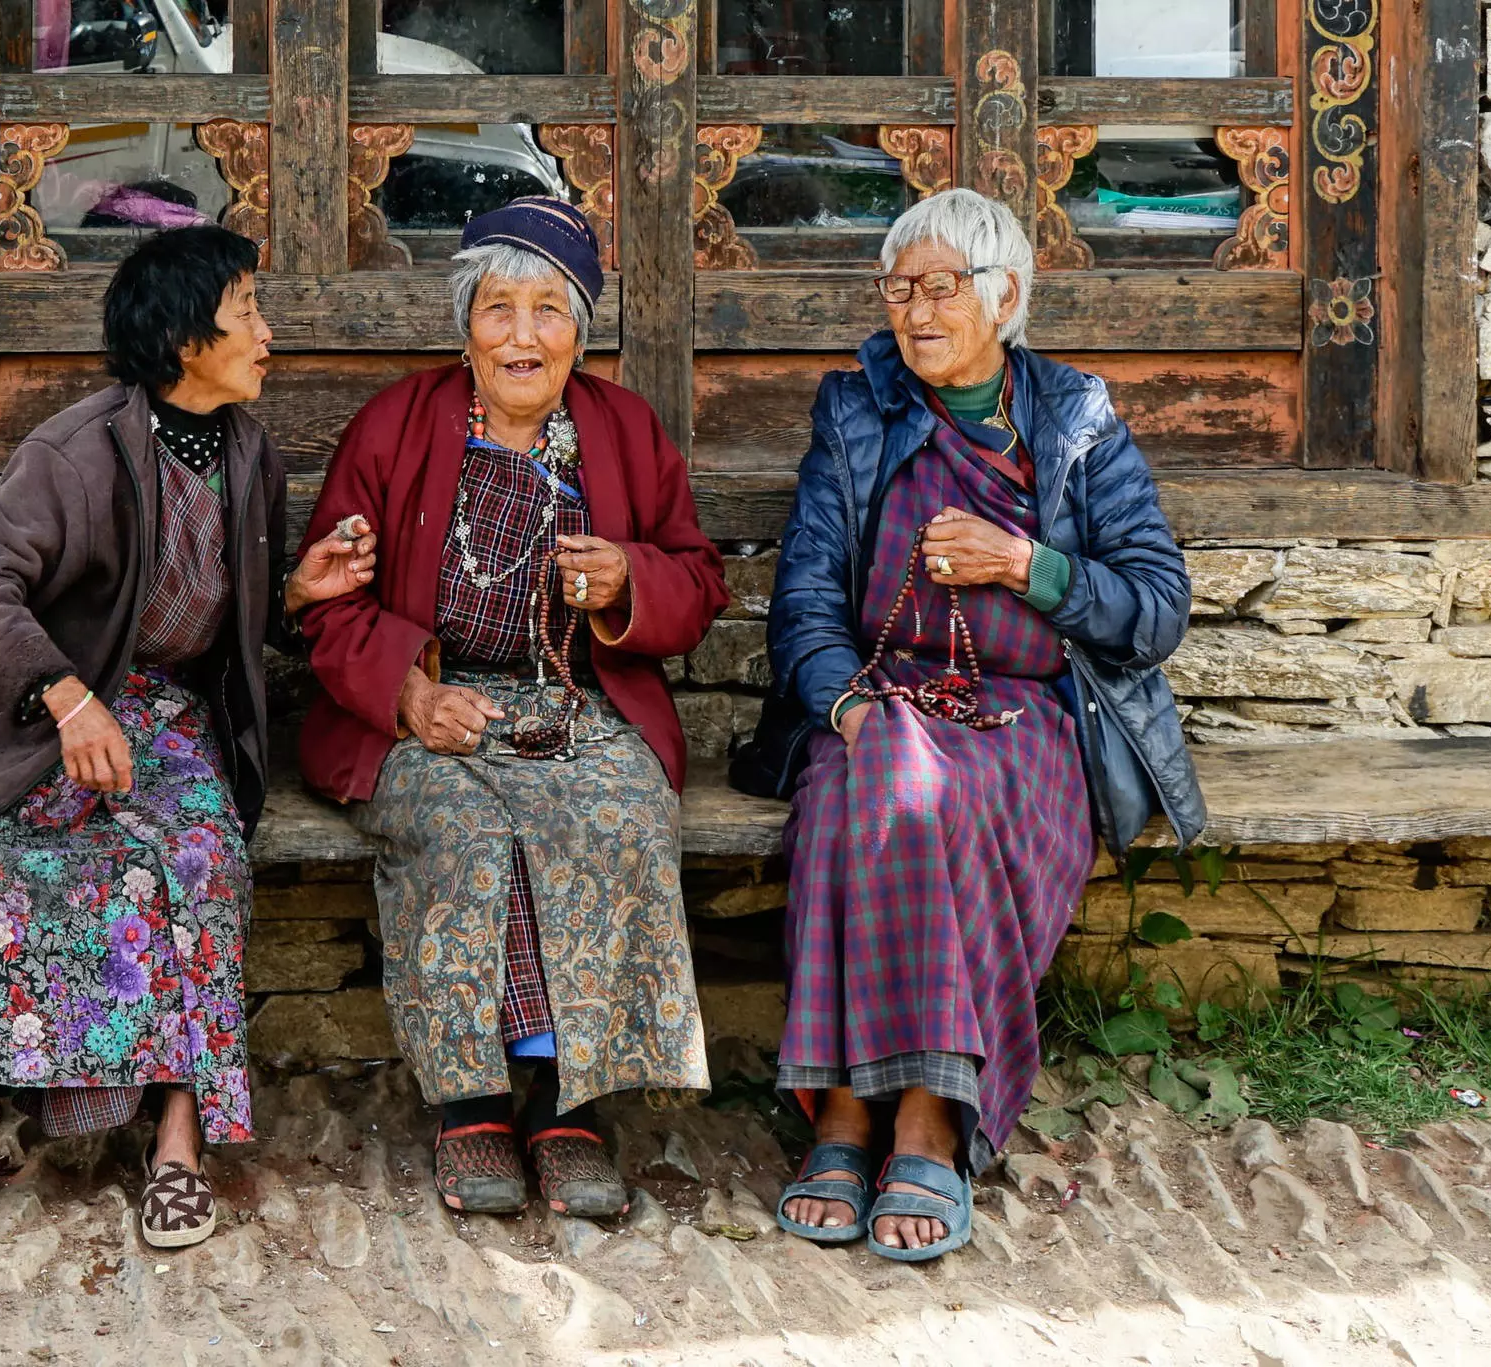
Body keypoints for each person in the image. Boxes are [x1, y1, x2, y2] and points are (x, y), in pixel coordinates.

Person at [0, 225, 379, 1259]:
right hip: (41, 717)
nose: (269, 332)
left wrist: (299, 590)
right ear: (185, 339)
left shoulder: (249, 452)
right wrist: (69, 698)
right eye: (248, 312)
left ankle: (177, 1143)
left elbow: (226, 616)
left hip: (170, 720)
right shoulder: (75, 451)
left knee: (198, 858)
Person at [749, 189, 1205, 1262]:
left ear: (1003, 297)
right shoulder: (856, 411)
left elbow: (1156, 606)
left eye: (939, 286)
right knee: (867, 793)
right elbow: (806, 599)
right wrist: (852, 706)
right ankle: (888, 1108)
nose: (912, 310)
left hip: (1025, 719)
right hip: (877, 702)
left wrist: (1024, 565)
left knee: (930, 806)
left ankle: (899, 1114)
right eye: (897, 288)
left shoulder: (1077, 420)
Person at [298, 197, 729, 1220]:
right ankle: (473, 1102)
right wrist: (407, 694)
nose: (522, 336)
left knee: (619, 811)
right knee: (462, 827)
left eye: (549, 310)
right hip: (422, 708)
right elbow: (324, 605)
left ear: (581, 329)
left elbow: (698, 582)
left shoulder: (623, 431)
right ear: (466, 323)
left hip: (575, 699)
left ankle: (566, 1103)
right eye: (499, 308)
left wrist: (628, 579)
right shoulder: (395, 425)